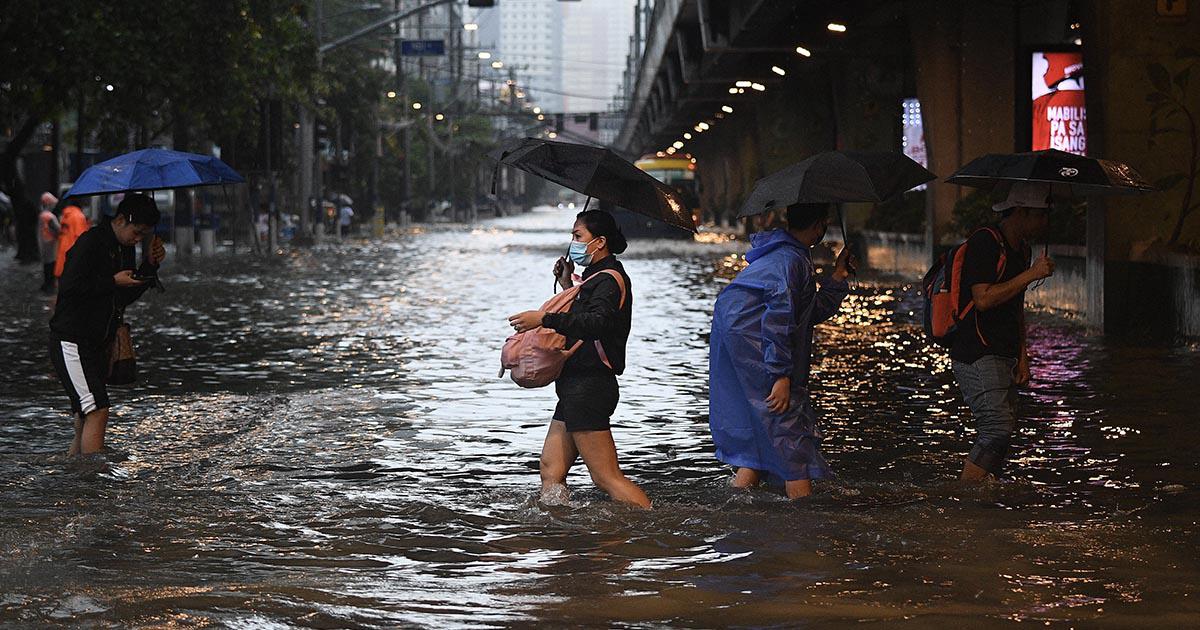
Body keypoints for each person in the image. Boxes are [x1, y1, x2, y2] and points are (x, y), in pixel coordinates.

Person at [708, 203, 855, 499]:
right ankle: (804, 518)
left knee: (761, 432)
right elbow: (779, 318)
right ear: (818, 226)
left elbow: (806, 312)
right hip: (754, 344)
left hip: (739, 339)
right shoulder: (789, 261)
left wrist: (838, 278)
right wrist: (780, 375)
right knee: (789, 432)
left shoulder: (785, 255)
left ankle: (737, 505)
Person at [507, 209, 651, 509]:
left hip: (590, 386)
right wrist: (566, 285)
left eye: (578, 236)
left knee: (606, 477)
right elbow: (587, 315)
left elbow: (597, 323)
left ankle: (650, 522)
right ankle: (559, 524)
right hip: (574, 386)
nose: (573, 242)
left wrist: (544, 319)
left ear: (599, 242)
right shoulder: (594, 279)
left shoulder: (609, 280)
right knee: (551, 469)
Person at [951, 181, 1055, 481]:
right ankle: (964, 494)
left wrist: (1023, 356)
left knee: (1003, 431)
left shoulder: (1022, 249)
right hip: (977, 350)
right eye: (1039, 215)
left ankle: (985, 493)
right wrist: (1031, 274)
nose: (1044, 222)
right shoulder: (985, 242)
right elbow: (982, 299)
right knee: (996, 428)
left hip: (1005, 350)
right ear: (1020, 211)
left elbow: (1016, 306)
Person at [49, 194, 166, 456]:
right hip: (71, 341)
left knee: (85, 416)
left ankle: (75, 472)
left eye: (144, 235)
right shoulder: (91, 242)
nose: (138, 239)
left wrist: (149, 266)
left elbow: (122, 297)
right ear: (121, 219)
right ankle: (94, 475)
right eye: (136, 232)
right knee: (97, 409)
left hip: (97, 342)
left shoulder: (125, 248)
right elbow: (69, 288)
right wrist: (112, 281)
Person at [54, 197, 90, 280]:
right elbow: (81, 237)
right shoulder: (79, 216)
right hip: (73, 250)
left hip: (63, 248)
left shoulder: (66, 214)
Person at [37, 192, 61, 293]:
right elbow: (58, 229)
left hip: (43, 242)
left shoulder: (42, 215)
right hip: (51, 243)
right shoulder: (50, 216)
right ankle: (50, 285)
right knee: (51, 265)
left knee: (46, 265)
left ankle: (46, 284)